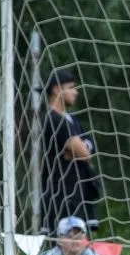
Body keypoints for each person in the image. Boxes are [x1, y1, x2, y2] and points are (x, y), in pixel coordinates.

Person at [40, 68, 101, 234]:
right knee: (65, 245)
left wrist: (79, 148)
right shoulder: (52, 119)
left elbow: (88, 147)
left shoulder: (71, 120)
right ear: (56, 89)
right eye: (71, 87)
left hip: (79, 193)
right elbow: (84, 153)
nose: (76, 92)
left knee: (80, 247)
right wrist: (80, 149)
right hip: (61, 196)